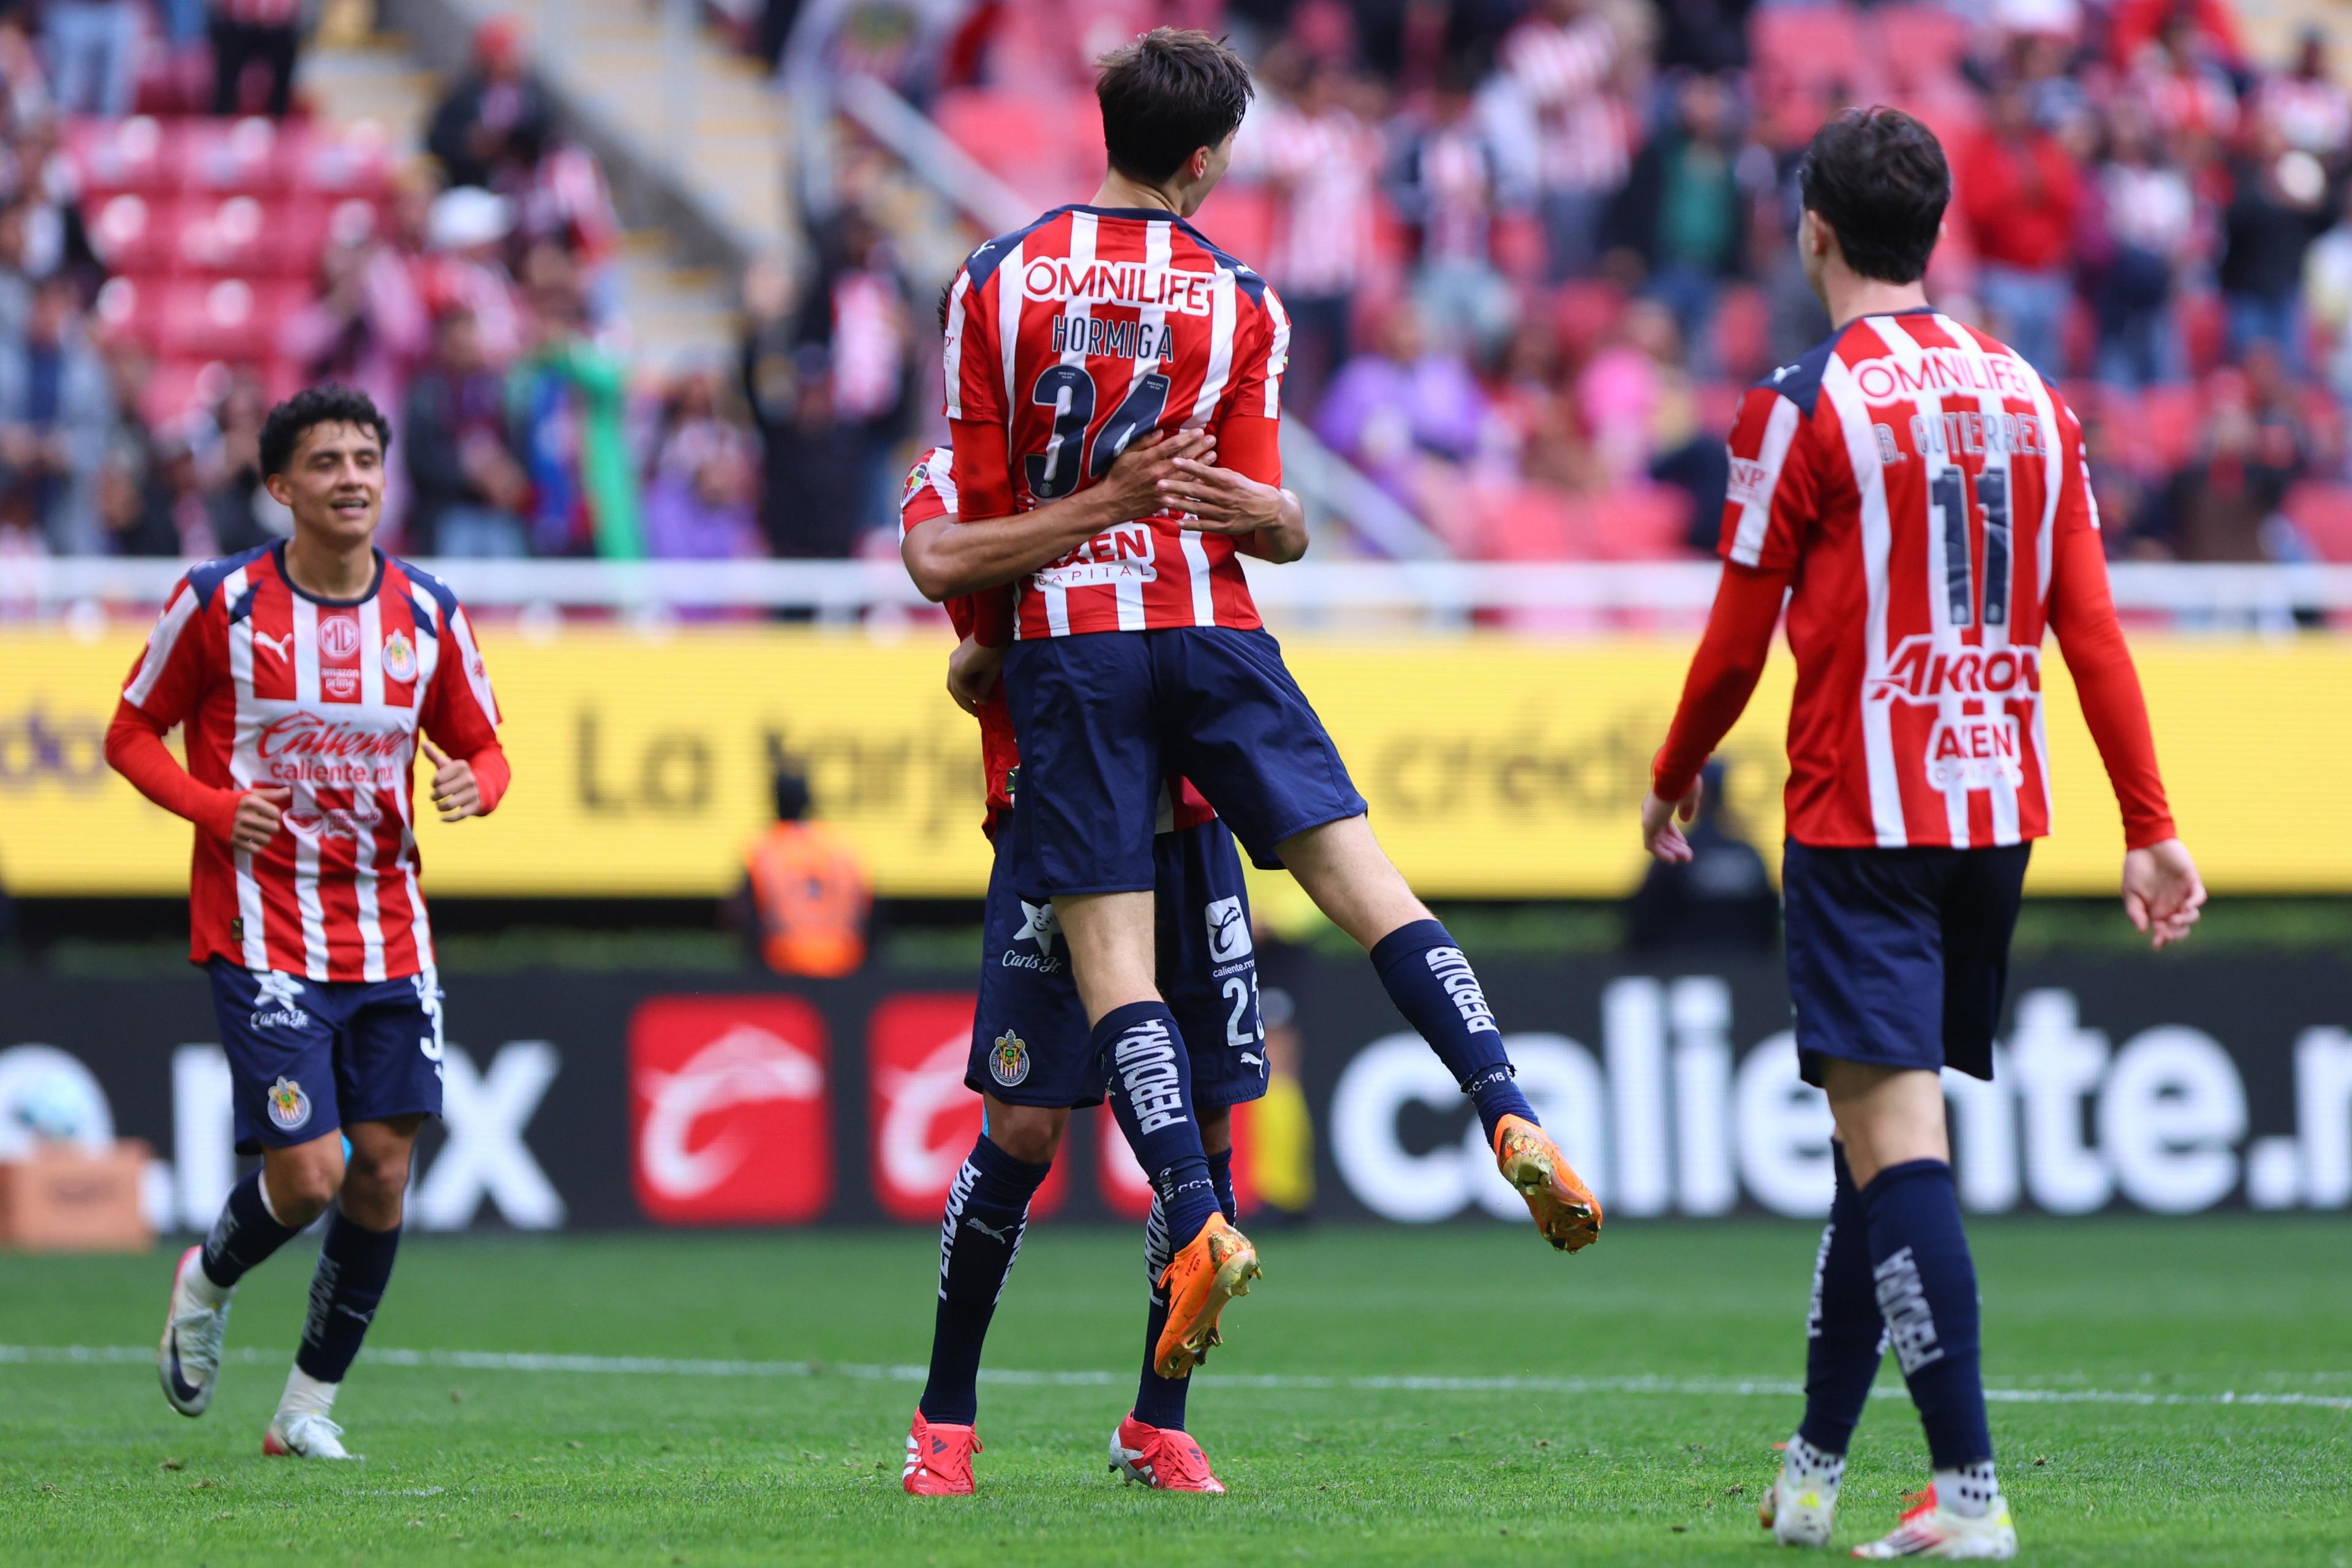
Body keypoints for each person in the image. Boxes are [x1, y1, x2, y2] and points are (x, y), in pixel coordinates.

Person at [941, 28, 1600, 1403]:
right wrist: (1287, 523)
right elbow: (1262, 512)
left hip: (1079, 646)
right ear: (1208, 157)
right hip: (1218, 633)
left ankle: (1194, 1216)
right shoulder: (1241, 300)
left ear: (1105, 124)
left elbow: (978, 516)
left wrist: (986, 656)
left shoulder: (997, 283)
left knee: (1120, 968)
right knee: (1373, 888)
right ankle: (1507, 1103)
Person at [1640, 108, 2204, 1560]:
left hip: (1859, 816)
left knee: (1895, 1150)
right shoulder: (2032, 394)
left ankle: (1968, 1494)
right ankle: (1815, 1468)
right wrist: (2147, 824)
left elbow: (1733, 635)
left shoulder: (1798, 403)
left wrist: (1673, 768)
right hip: (1992, 814)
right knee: (1864, 1148)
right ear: (1936, 231)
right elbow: (2089, 627)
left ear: (1809, 229)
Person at [895, 420, 1307, 1496]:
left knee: (1208, 1121)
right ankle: (945, 1413)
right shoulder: (967, 473)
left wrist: (1274, 515)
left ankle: (1156, 1422)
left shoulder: (1174, 450)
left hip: (1193, 821)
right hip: (1060, 823)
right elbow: (946, 564)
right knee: (1024, 1127)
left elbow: (1273, 533)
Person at [103, 385, 511, 1461]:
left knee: (383, 1168)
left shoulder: (428, 614)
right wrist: (213, 808)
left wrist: (482, 787)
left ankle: (304, 1409)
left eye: (365, 458)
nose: (351, 478)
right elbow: (130, 733)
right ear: (280, 487)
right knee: (310, 1175)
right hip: (263, 925)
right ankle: (208, 1278)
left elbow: (485, 746)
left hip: (390, 926)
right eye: (325, 462)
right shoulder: (220, 605)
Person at [729, 764, 870, 978]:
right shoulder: (841, 846)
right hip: (844, 962)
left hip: (783, 963)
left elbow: (742, 914)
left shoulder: (765, 849)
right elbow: (869, 906)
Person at [1624, 760, 1776, 952]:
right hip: (1742, 967)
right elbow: (1767, 924)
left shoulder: (1678, 851)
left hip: (1688, 967)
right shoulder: (1747, 853)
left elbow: (1645, 918)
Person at [210, 0, 304, 119]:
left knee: (283, 81)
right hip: (238, 23)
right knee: (226, 80)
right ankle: (221, 120)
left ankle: (279, 120)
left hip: (278, 25)